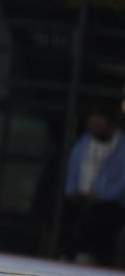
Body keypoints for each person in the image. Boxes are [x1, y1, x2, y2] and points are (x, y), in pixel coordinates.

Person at [61, 102, 125, 266]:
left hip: (110, 202)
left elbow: (121, 183)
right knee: (66, 211)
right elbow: (73, 171)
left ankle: (93, 257)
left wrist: (100, 195)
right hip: (80, 196)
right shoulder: (82, 143)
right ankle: (67, 255)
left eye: (99, 121)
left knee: (101, 216)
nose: (94, 125)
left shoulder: (121, 148)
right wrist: (72, 192)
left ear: (110, 123)